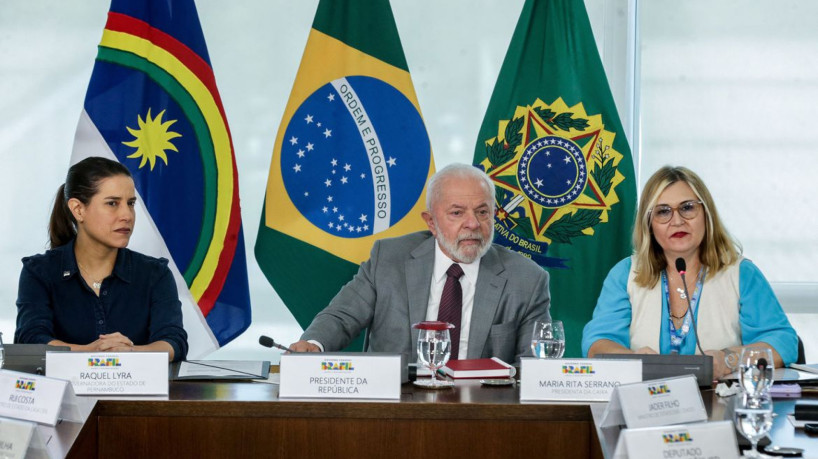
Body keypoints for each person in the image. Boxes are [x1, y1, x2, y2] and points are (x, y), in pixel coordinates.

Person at [289, 163, 550, 363]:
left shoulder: (526, 278)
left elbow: (536, 366)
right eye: (457, 213)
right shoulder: (389, 257)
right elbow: (342, 315)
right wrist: (314, 343)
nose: (473, 224)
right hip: (397, 406)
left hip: (480, 411)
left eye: (482, 212)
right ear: (431, 223)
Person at [582, 166, 797, 378]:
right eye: (663, 211)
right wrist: (633, 359)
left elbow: (782, 343)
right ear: (649, 224)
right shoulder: (626, 274)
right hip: (644, 403)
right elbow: (597, 345)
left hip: (721, 403)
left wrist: (729, 359)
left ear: (706, 213)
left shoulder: (742, 273)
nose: (677, 221)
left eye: (687, 208)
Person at [15, 156, 188, 362]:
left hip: (137, 393)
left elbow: (173, 341)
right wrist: (90, 353)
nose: (127, 215)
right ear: (78, 209)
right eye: (112, 203)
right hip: (62, 393)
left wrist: (131, 352)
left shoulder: (155, 273)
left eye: (130, 203)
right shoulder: (39, 271)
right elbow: (30, 340)